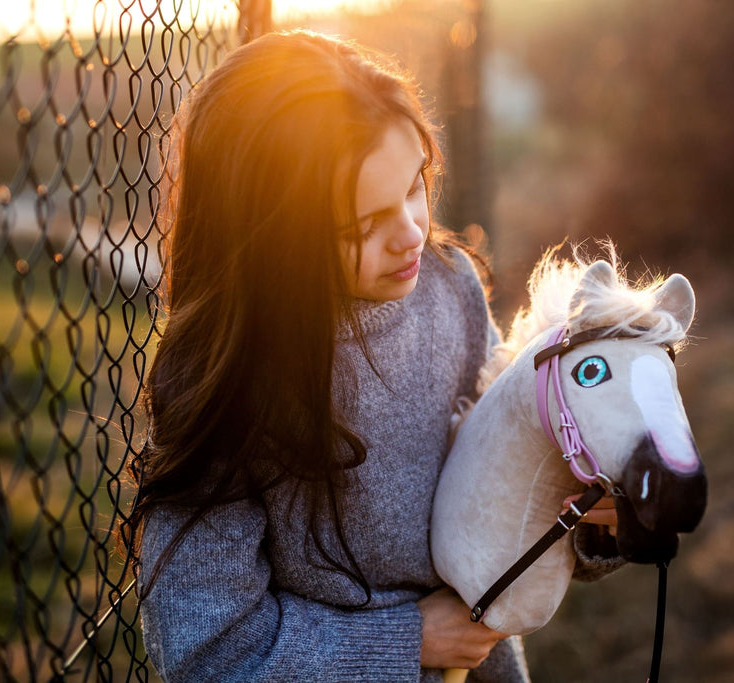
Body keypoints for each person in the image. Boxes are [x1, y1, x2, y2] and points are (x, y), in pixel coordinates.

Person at [123, 30, 621, 682]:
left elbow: (493, 490)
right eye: (362, 225)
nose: (413, 232)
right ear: (272, 237)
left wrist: (580, 527)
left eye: (415, 185)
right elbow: (207, 648)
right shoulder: (227, 379)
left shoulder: (449, 288)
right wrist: (407, 640)